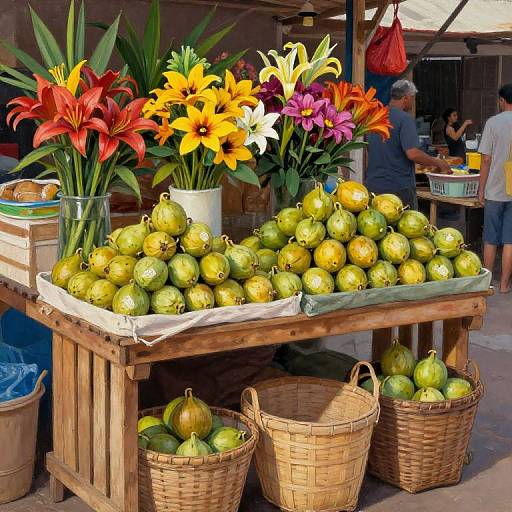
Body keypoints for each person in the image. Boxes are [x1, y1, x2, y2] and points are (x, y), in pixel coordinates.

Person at [366, 80, 451, 210]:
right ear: (406, 98)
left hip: (373, 186)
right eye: (413, 98)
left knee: (377, 227)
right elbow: (413, 153)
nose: (413, 102)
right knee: (406, 228)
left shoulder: (375, 116)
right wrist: (438, 162)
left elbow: (369, 149)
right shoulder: (404, 119)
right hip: (398, 189)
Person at [478, 83, 512, 293]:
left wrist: (481, 188)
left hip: (494, 190)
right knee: (510, 239)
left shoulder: (493, 123)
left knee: (491, 237)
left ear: (501, 100)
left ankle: (487, 282)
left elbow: (486, 160)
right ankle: (505, 284)